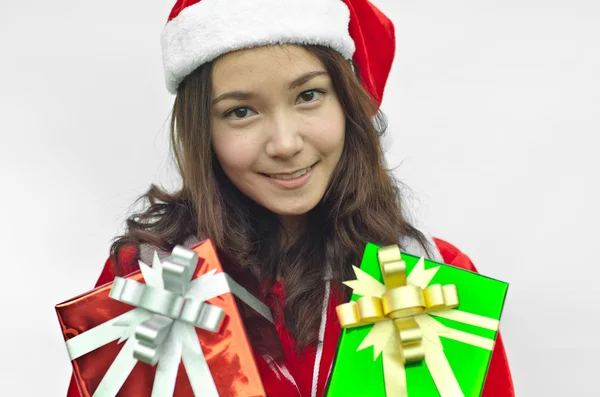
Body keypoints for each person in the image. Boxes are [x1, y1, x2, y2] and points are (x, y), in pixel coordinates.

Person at [66, 0, 514, 396]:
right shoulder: (151, 278)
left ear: (348, 106)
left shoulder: (430, 277)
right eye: (241, 111)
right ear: (204, 130)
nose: (284, 143)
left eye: (308, 95)